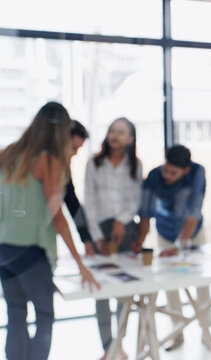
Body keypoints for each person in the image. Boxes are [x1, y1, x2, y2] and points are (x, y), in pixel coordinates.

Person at [0, 102, 99, 360]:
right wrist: (80, 264)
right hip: (31, 254)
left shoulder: (8, 153)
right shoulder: (48, 160)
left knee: (16, 315)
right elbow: (58, 216)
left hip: (5, 250)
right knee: (44, 316)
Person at [134, 144, 211, 351]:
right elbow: (145, 214)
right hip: (165, 234)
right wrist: (138, 244)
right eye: (166, 169)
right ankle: (177, 333)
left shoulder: (197, 172)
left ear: (185, 170)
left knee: (201, 282)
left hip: (193, 233)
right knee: (171, 283)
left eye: (173, 172)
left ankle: (206, 331)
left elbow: (194, 210)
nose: (167, 175)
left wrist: (181, 244)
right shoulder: (153, 176)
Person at [84, 116, 142, 360]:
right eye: (111, 131)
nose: (115, 135)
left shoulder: (134, 164)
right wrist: (97, 237)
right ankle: (107, 345)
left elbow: (136, 198)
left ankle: (119, 341)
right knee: (102, 289)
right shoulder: (94, 163)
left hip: (126, 228)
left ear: (130, 138)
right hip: (100, 230)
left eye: (121, 132)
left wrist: (121, 220)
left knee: (124, 288)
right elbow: (89, 201)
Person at [63, 120, 94, 253]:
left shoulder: (64, 169)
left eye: (78, 148)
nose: (75, 153)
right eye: (73, 147)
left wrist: (86, 239)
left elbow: (72, 202)